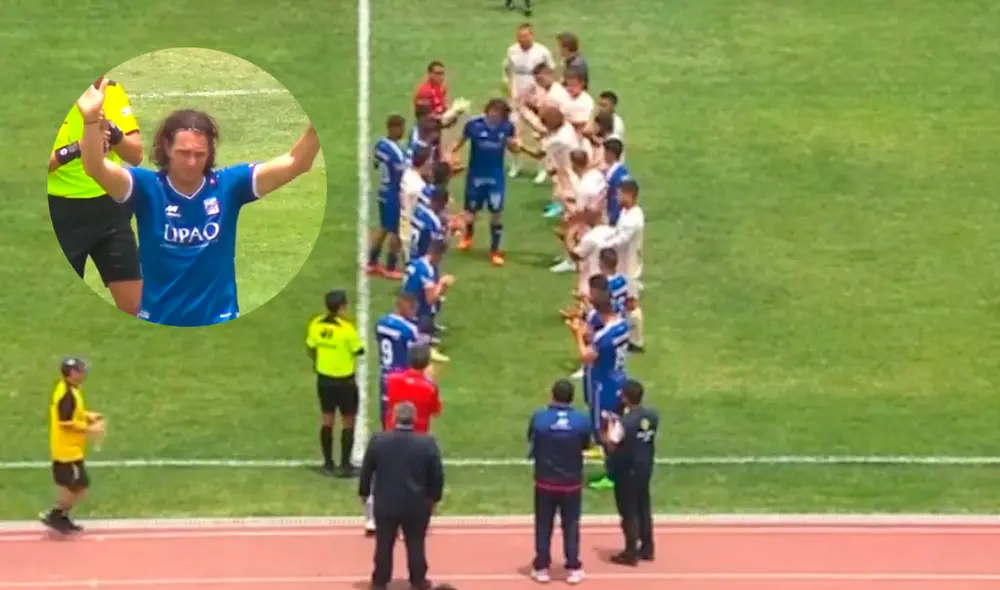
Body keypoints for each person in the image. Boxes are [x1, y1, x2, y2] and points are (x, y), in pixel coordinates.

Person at [74, 78, 321, 327]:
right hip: (160, 320)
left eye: (199, 154)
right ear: (167, 148)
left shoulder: (230, 186)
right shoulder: (146, 188)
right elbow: (95, 168)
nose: (191, 162)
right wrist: (91, 121)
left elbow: (296, 162)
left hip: (219, 319)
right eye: (184, 153)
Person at [48, 78, 144, 316]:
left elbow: (136, 155)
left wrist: (111, 131)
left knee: (135, 306)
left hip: (109, 209)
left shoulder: (111, 91)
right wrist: (82, 145)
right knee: (58, 307)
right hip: (61, 213)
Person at [359, 401, 445, 590]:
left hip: (386, 503)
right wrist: (434, 498)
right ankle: (418, 580)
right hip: (417, 504)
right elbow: (437, 474)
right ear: (414, 419)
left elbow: (367, 470)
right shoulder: (426, 443)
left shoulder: (379, 441)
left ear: (393, 417)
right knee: (415, 543)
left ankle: (380, 580)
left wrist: (364, 493)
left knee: (384, 543)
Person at [365, 342, 440, 535]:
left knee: (383, 477)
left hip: (392, 436)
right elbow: (435, 411)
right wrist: (430, 381)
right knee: (417, 481)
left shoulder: (392, 380)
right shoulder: (429, 387)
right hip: (418, 441)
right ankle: (416, 522)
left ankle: (372, 518)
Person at [527, 379, 591, 585]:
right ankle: (573, 566)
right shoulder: (581, 420)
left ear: (552, 395)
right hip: (571, 482)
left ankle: (542, 567)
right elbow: (585, 445)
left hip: (545, 481)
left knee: (544, 524)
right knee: (571, 524)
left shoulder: (540, 418)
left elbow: (532, 439)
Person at [568, 290, 631, 489]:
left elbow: (586, 356)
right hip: (619, 377)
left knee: (604, 429)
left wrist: (577, 334)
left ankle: (612, 473)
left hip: (603, 384)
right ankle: (619, 468)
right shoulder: (623, 325)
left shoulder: (605, 336)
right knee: (615, 424)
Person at [39, 357, 106, 534]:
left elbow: (73, 413)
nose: (84, 372)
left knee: (78, 485)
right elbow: (65, 423)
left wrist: (87, 415)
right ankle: (55, 515)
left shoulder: (70, 389)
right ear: (71, 374)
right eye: (80, 370)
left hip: (72, 450)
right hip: (66, 451)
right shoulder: (67, 394)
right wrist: (90, 428)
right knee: (78, 487)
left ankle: (61, 516)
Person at [451, 99, 519, 266]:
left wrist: (514, 145)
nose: (496, 116)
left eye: (499, 114)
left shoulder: (507, 127)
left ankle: (495, 251)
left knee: (496, 214)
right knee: (471, 212)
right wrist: (451, 155)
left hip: (495, 178)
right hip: (475, 176)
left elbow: (514, 148)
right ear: (487, 111)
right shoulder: (474, 125)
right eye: (493, 112)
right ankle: (468, 236)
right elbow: (459, 142)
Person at [305, 290, 365, 478]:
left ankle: (328, 463)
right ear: (341, 307)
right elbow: (359, 350)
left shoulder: (316, 324)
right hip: (344, 382)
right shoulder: (346, 329)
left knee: (327, 419)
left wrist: (320, 361)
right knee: (348, 421)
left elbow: (311, 347)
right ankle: (345, 465)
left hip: (324, 380)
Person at [604, 379, 658, 564]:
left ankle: (630, 552)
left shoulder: (624, 422)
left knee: (628, 512)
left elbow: (612, 444)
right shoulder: (651, 416)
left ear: (626, 398)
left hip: (627, 470)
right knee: (644, 507)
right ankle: (647, 548)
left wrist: (609, 427)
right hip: (645, 468)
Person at [503, 23, 554, 179]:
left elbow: (550, 71)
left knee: (538, 133)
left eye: (525, 36)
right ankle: (516, 164)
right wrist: (509, 87)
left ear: (532, 35)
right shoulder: (512, 51)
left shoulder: (542, 52)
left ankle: (542, 168)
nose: (522, 39)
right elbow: (507, 70)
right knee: (514, 131)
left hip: (536, 99)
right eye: (519, 36)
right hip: (517, 97)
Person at [603, 180, 645, 352]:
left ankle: (637, 341)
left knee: (631, 302)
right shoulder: (626, 212)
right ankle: (628, 336)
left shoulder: (634, 218)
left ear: (630, 195)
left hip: (629, 265)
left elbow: (621, 240)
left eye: (620, 194)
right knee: (624, 301)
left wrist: (603, 244)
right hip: (623, 262)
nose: (618, 196)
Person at [368, 115, 408, 279]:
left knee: (384, 227)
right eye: (401, 128)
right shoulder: (396, 152)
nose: (403, 132)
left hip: (384, 190)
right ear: (393, 128)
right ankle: (390, 267)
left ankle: (371, 261)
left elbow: (376, 164)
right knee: (397, 231)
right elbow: (402, 174)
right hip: (394, 192)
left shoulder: (380, 145)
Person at [402, 240, 455, 363]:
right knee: (434, 302)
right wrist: (443, 284)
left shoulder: (415, 263)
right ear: (437, 254)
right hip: (416, 312)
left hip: (406, 305)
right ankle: (427, 347)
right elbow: (430, 299)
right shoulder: (426, 270)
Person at [602, 139, 631, 226]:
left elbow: (616, 197)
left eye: (605, 152)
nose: (603, 155)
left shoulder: (616, 175)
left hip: (615, 217)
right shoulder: (622, 171)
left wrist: (612, 218)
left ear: (610, 154)